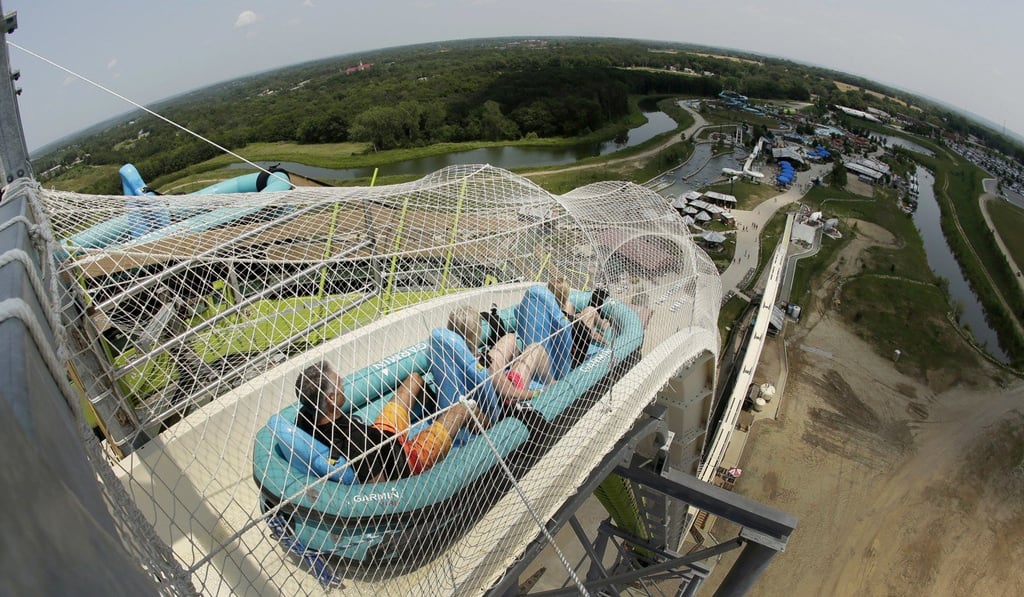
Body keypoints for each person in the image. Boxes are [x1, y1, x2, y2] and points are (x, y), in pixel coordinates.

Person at [294, 361, 489, 484]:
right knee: (464, 409)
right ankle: (494, 427)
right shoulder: (356, 442)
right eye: (339, 384)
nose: (343, 383)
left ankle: (437, 416)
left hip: (380, 434)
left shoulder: (305, 415)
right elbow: (380, 488)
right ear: (330, 399)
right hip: (407, 459)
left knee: (414, 379)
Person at [442, 305, 553, 406]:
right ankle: (552, 384)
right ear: (476, 332)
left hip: (493, 388)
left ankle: (517, 369)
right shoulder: (484, 364)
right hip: (509, 397)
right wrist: (538, 393)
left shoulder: (450, 357)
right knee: (535, 348)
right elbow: (513, 395)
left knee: (510, 338)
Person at [547, 278, 610, 369]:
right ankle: (604, 325)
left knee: (583, 309)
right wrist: (607, 342)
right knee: (591, 311)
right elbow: (591, 335)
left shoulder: (548, 311)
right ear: (565, 295)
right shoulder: (567, 317)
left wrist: (576, 318)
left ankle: (602, 323)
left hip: (564, 344)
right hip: (574, 356)